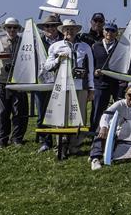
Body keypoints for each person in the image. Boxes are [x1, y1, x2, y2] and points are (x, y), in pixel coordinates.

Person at [44, 19, 95, 154]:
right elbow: (47, 66)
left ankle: (74, 146)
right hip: (61, 87)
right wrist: (58, 59)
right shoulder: (55, 46)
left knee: (79, 117)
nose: (69, 31)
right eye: (67, 29)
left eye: (72, 29)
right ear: (63, 31)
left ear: (77, 30)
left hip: (80, 87)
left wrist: (91, 89)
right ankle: (60, 146)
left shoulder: (85, 47)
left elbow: (90, 69)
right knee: (60, 117)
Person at [0, 18, 27, 148]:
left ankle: (17, 139)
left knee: (19, 111)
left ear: (18, 29)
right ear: (5, 28)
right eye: (9, 27)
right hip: (1, 81)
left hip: (18, 81)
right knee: (2, 111)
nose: (12, 30)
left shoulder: (24, 43)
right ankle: (2, 140)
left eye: (15, 27)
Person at [88, 83, 131, 170]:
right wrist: (104, 127)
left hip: (130, 138)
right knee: (101, 128)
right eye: (130, 95)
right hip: (115, 134)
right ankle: (95, 158)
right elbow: (106, 115)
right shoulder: (119, 104)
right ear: (125, 95)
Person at [35, 14, 63, 152]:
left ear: (58, 27)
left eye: (53, 25)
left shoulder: (65, 41)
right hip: (42, 81)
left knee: (59, 112)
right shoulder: (38, 43)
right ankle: (45, 142)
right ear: (43, 28)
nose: (50, 28)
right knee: (42, 113)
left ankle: (61, 141)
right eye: (47, 26)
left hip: (60, 81)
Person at [90, 21, 121, 134]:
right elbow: (91, 63)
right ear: (103, 31)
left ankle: (116, 131)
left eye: (112, 30)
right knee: (98, 108)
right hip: (100, 82)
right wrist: (94, 72)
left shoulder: (120, 47)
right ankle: (94, 131)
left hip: (116, 83)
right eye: (107, 30)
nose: (109, 32)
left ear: (116, 33)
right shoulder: (95, 46)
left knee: (118, 108)